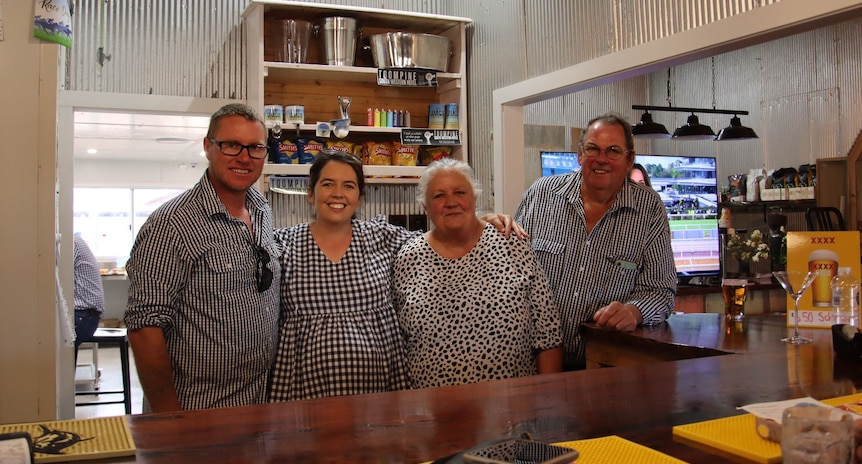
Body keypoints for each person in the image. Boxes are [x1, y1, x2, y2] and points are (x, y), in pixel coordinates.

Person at [268, 151, 522, 401]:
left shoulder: (383, 237)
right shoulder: (282, 245)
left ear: (359, 196)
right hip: (302, 393)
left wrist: (483, 220)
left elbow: (441, 238)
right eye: (327, 184)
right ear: (311, 194)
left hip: (379, 392)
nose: (338, 193)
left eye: (348, 185)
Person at [124, 103, 281, 412]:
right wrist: (170, 419)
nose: (244, 157)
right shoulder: (170, 225)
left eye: (255, 148)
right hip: (198, 409)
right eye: (231, 145)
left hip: (259, 403)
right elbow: (144, 328)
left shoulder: (261, 208)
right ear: (208, 147)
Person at [515, 113, 676, 371]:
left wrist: (634, 312)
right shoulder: (540, 195)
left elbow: (661, 291)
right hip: (530, 365)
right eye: (593, 148)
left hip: (601, 368)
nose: (601, 159)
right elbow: (509, 270)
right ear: (579, 155)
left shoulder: (648, 209)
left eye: (613, 151)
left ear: (629, 160)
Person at [393, 158, 563, 389]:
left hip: (511, 409)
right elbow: (397, 342)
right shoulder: (408, 258)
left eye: (460, 192)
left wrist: (548, 400)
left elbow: (548, 334)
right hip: (432, 411)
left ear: (474, 198)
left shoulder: (511, 243)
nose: (451, 202)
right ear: (425, 207)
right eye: (439, 196)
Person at [72, 235, 104, 360]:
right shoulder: (74, 240)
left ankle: (61, 378)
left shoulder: (70, 243)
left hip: (83, 315)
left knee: (51, 341)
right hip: (83, 314)